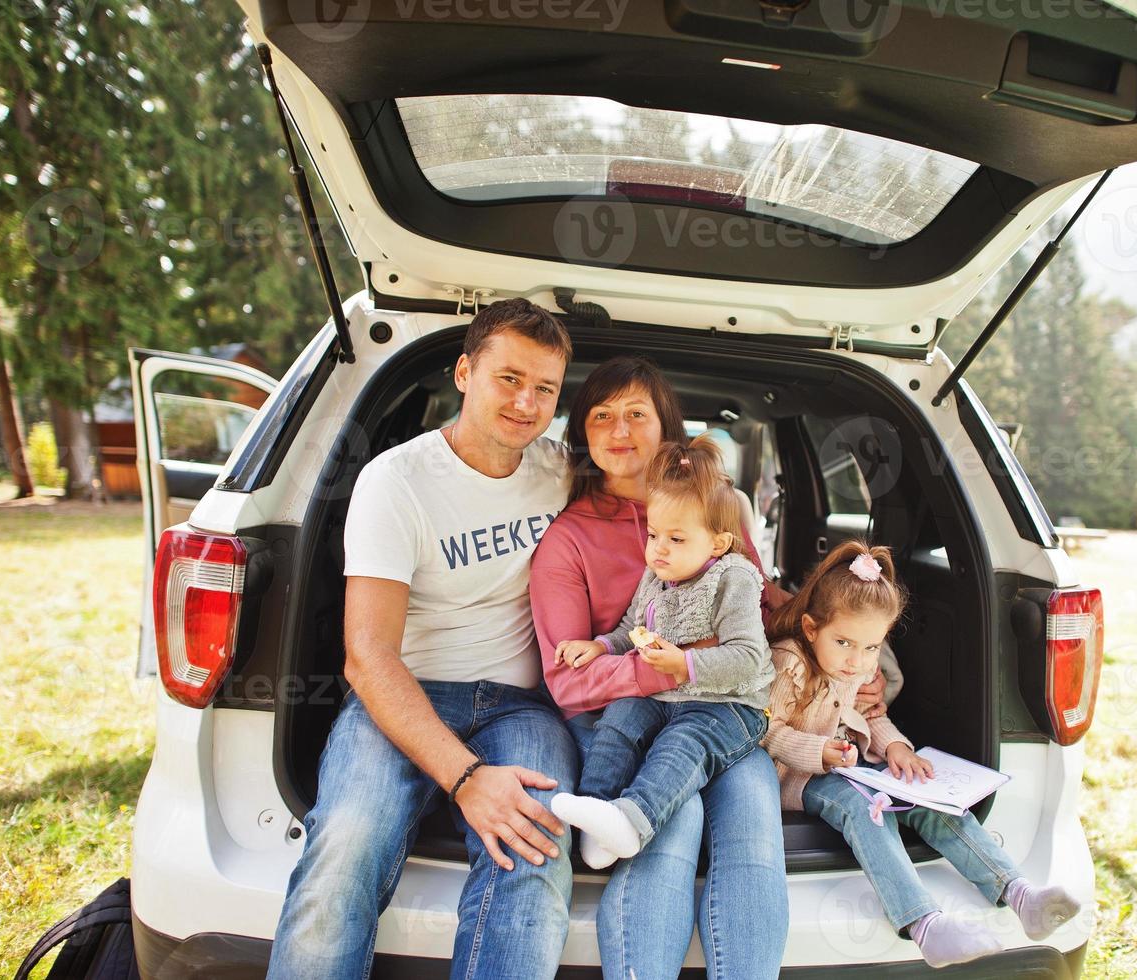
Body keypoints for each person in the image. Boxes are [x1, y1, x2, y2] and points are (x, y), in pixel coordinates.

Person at [267, 299, 580, 979]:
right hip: (405, 696)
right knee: (344, 848)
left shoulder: (561, 471)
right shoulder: (395, 482)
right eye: (509, 378)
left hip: (522, 705)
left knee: (534, 851)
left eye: (546, 389)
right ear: (465, 372)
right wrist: (466, 779)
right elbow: (368, 655)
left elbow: (661, 501)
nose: (527, 402)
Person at [529, 356, 797, 979]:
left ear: (666, 426)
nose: (619, 430)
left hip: (723, 709)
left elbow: (759, 610)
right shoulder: (568, 539)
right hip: (621, 719)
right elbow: (570, 678)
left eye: (636, 414)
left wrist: (834, 640)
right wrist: (672, 669)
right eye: (601, 417)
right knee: (676, 819)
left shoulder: (714, 512)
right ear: (584, 436)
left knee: (756, 813)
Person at [762, 540, 1083, 969]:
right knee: (868, 810)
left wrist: (895, 746)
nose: (858, 660)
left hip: (852, 766)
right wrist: (820, 751)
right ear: (809, 628)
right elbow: (766, 731)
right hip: (799, 777)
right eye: (844, 642)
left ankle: (1020, 894)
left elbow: (869, 716)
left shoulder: (854, 664)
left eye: (872, 648)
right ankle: (924, 925)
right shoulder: (792, 663)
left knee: (930, 800)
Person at [548, 436, 776, 869]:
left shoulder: (734, 579)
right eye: (653, 534)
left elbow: (747, 655)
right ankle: (597, 816)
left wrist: (684, 664)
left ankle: (632, 823)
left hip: (726, 705)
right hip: (665, 696)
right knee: (619, 718)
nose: (659, 548)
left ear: (717, 543)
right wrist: (598, 645)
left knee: (680, 745)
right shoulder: (656, 576)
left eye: (676, 538)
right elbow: (633, 629)